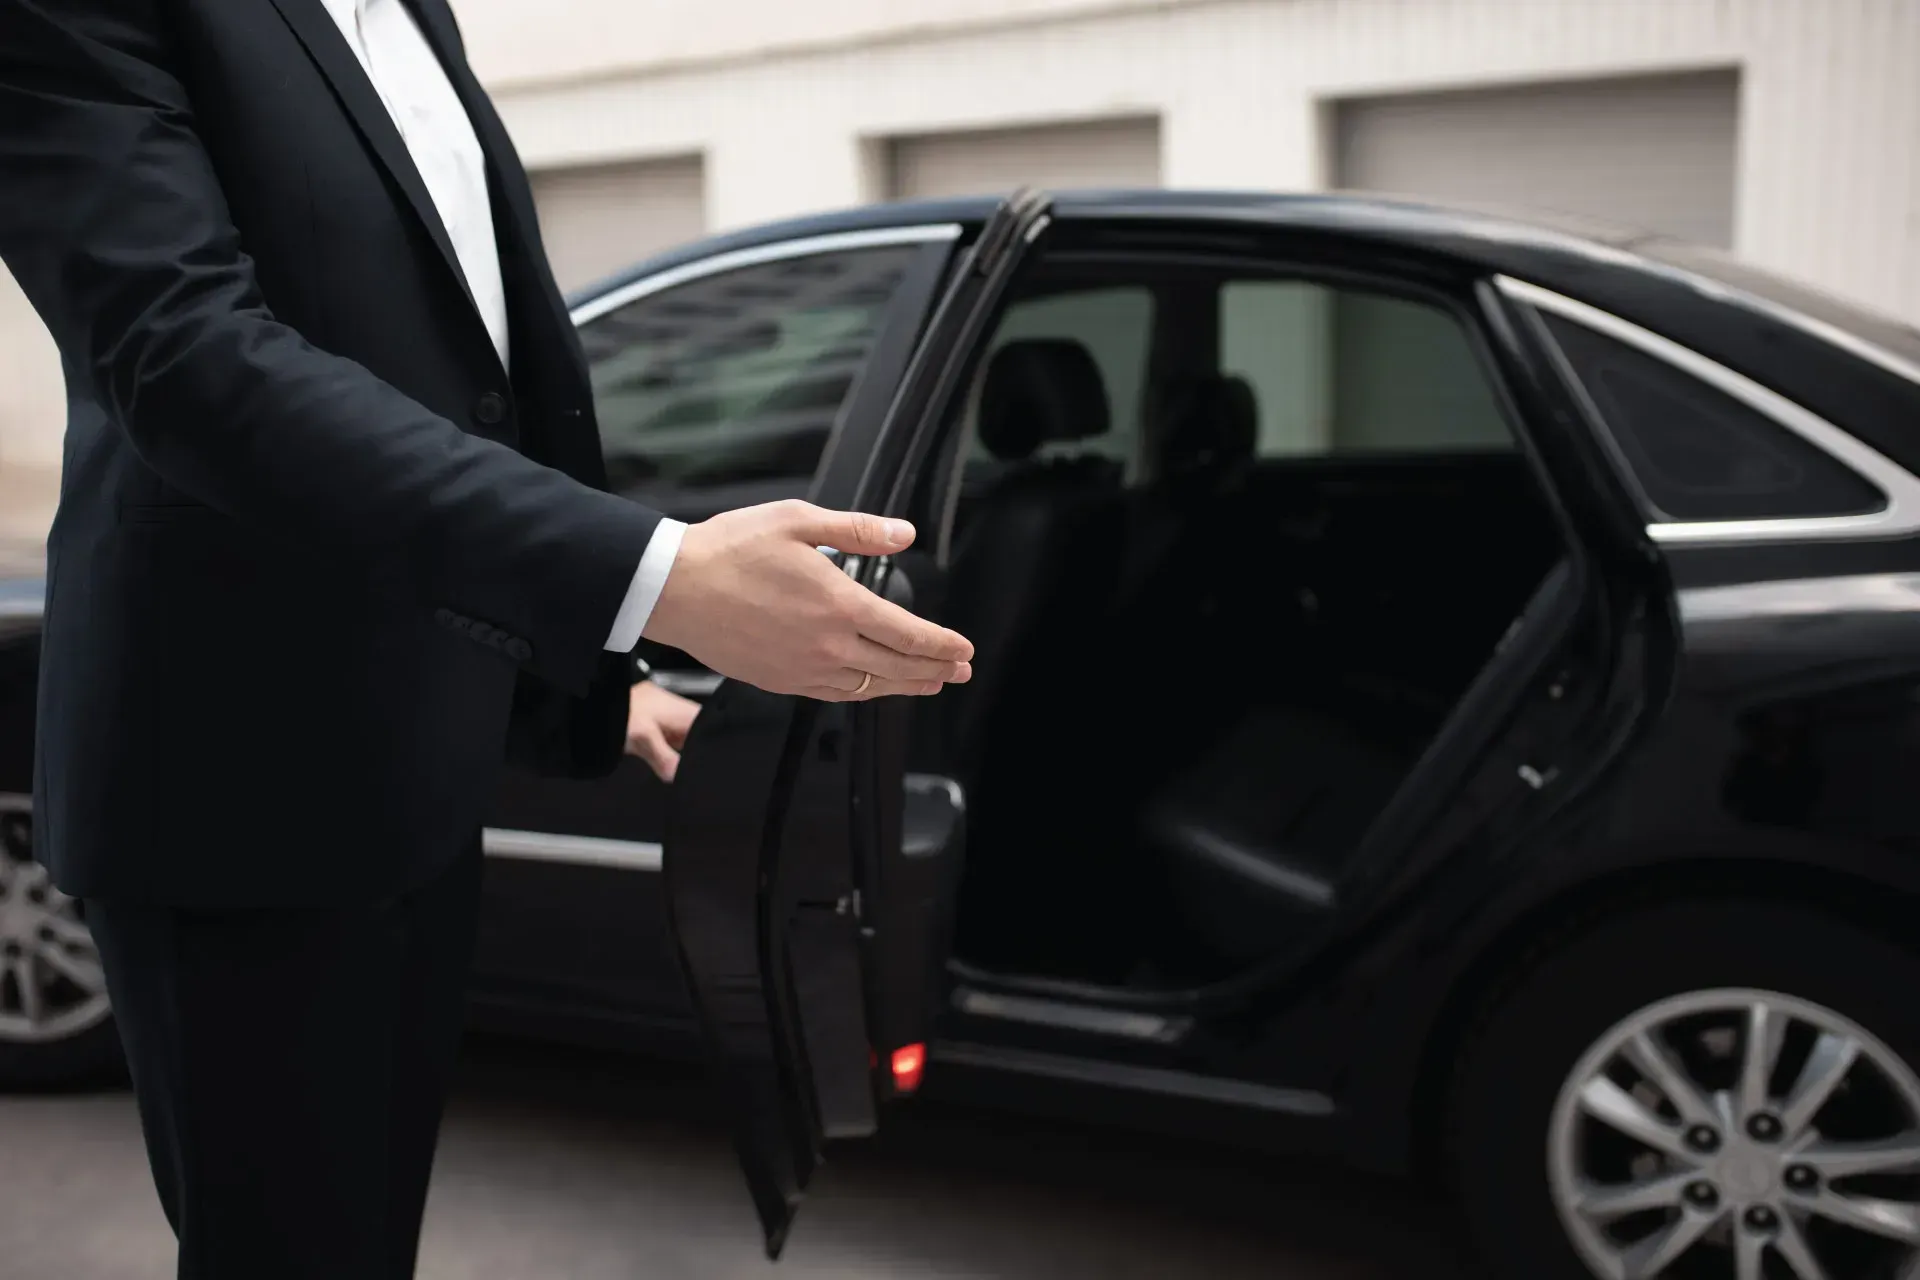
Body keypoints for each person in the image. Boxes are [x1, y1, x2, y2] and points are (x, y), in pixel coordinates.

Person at [0, 1, 974, 1277]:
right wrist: (656, 576)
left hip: (415, 768)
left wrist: (569, 676)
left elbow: (453, 379)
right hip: (237, 783)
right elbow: (188, 361)